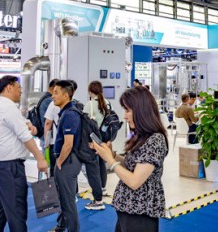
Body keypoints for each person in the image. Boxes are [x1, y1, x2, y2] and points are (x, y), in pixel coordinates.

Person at [92, 87, 168, 232]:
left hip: (140, 211)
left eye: (128, 110)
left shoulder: (155, 140)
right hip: (127, 207)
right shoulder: (141, 135)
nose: (125, 116)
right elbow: (132, 164)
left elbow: (134, 181)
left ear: (141, 110)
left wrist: (111, 161)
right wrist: (112, 155)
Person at [0, 75, 47, 232]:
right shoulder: (8, 107)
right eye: (18, 87)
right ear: (9, 87)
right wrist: (40, 158)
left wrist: (29, 124)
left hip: (0, 165)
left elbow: (22, 125)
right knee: (17, 213)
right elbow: (25, 136)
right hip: (10, 168)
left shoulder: (3, 106)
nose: (21, 91)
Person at [51, 80, 82, 232]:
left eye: (56, 93)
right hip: (67, 161)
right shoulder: (66, 112)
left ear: (65, 95)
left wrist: (59, 162)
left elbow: (68, 144)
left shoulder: (70, 114)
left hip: (68, 161)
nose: (53, 96)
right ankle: (61, 226)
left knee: (68, 201)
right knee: (63, 198)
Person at [83, 81, 111, 211]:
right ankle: (103, 188)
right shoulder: (107, 103)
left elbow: (85, 124)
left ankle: (98, 198)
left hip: (93, 139)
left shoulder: (89, 104)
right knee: (101, 163)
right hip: (104, 138)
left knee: (93, 168)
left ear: (90, 92)